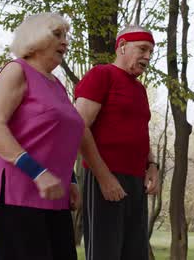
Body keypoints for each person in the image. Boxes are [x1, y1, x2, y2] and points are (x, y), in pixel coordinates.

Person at [0, 13, 84, 260]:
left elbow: (58, 138)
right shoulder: (17, 71)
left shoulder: (57, 85)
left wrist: (70, 179)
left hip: (53, 193)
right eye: (57, 35)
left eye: (66, 36)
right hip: (18, 189)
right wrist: (37, 172)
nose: (65, 42)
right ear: (36, 38)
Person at [75, 24, 161, 260]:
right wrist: (104, 178)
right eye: (142, 49)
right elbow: (78, 126)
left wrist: (152, 166)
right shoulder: (101, 74)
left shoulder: (140, 90)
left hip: (136, 183)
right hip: (104, 178)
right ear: (122, 46)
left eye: (151, 53)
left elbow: (139, 133)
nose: (147, 57)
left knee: (135, 254)